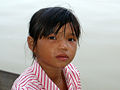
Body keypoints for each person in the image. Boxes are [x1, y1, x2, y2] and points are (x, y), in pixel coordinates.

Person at [11, 7, 81, 90]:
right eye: (52, 38)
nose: (64, 46)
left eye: (71, 39)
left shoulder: (72, 72)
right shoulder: (24, 88)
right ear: (32, 44)